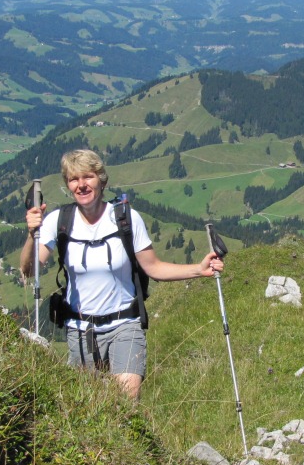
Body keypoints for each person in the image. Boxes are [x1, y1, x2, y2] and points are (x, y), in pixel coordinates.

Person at [21, 149, 225, 400]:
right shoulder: (59, 221)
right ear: (67, 184)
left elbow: (153, 267)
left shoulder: (125, 218)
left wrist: (198, 269)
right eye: (74, 179)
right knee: (86, 405)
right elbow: (29, 271)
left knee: (127, 401)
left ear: (101, 180)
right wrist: (32, 235)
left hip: (125, 326)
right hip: (80, 330)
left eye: (88, 177)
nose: (81, 185)